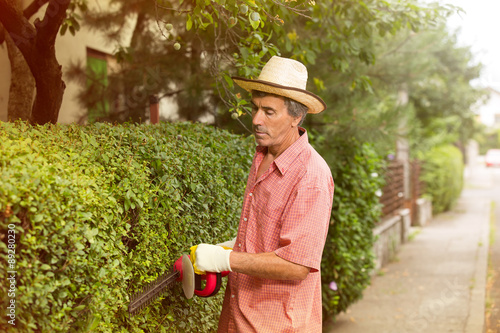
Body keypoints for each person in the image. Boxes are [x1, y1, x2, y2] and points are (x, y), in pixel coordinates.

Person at [193, 56, 334, 332]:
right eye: (256, 108)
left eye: (269, 112)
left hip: (276, 325)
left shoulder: (311, 176)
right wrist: (234, 245)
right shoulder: (263, 155)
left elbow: (296, 264)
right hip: (238, 317)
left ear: (296, 116)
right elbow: (267, 233)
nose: (256, 120)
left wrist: (225, 259)